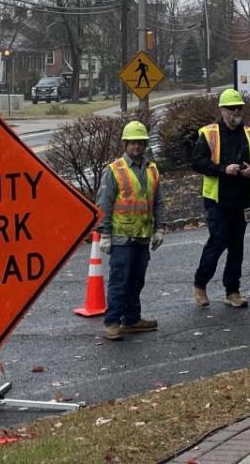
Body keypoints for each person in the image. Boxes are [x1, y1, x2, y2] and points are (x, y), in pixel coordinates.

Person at [191, 88, 250, 308]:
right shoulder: (209, 134)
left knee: (237, 246)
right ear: (222, 110)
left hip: (243, 200)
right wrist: (222, 169)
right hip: (217, 200)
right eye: (231, 108)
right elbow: (197, 161)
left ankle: (232, 290)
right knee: (218, 241)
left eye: (239, 108)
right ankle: (200, 284)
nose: (236, 111)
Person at [96, 120, 165, 341]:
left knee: (136, 280)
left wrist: (159, 229)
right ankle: (112, 323)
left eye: (140, 143)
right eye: (133, 143)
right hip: (122, 237)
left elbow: (158, 202)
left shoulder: (152, 170)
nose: (136, 146)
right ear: (125, 144)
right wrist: (104, 234)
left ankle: (132, 319)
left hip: (143, 236)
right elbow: (103, 204)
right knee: (120, 281)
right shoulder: (114, 170)